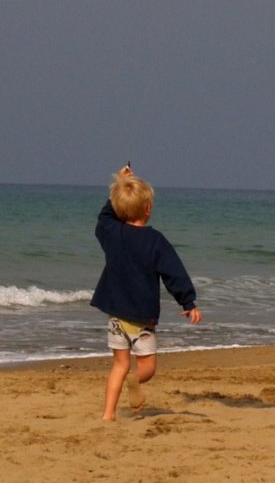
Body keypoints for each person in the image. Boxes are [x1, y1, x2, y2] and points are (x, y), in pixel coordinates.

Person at [91, 165, 202, 420]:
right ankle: (135, 381)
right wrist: (188, 301)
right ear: (148, 209)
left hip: (116, 315)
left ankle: (108, 414)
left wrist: (118, 188)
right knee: (148, 367)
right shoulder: (155, 241)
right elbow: (174, 272)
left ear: (118, 209)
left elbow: (103, 219)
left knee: (119, 365)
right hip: (142, 318)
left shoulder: (112, 233)